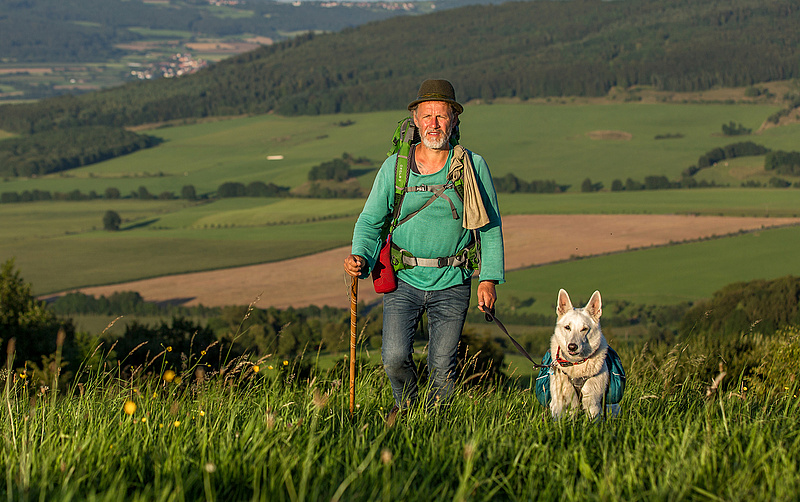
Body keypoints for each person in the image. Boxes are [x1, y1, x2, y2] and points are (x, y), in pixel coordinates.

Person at [343, 79, 504, 414]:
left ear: (455, 121)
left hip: (453, 280)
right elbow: (371, 221)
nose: (434, 123)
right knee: (394, 358)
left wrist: (488, 279)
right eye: (427, 115)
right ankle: (410, 413)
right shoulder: (395, 168)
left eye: (441, 116)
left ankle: (436, 427)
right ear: (415, 119)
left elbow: (489, 228)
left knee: (443, 368)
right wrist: (360, 255)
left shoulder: (473, 167)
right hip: (404, 280)